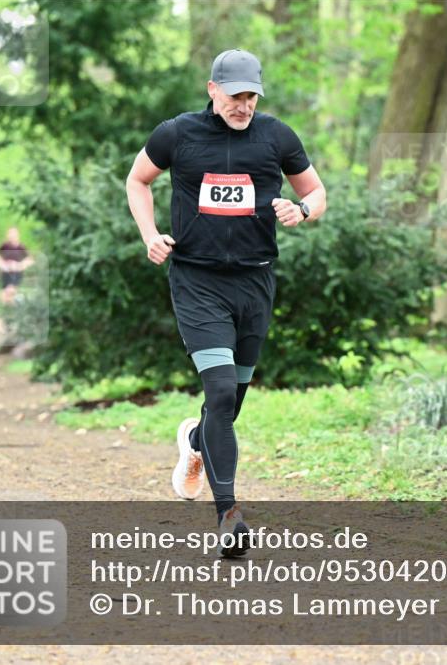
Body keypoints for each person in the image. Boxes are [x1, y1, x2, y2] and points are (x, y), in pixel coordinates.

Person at [126, 49, 326, 556]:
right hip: (197, 281)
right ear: (212, 89)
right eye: (235, 95)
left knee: (229, 404)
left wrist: (300, 210)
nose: (244, 105)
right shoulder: (178, 134)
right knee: (217, 390)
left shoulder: (277, 137)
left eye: (251, 96)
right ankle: (229, 515)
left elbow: (317, 191)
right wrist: (150, 234)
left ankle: (196, 443)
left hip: (255, 283)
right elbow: (138, 180)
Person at [0, 227, 34, 305]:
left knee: (11, 290)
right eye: (9, 233)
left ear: (17, 235)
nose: (11, 235)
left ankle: (12, 309)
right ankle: (6, 310)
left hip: (16, 273)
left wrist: (20, 265)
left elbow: (30, 259)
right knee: (4, 293)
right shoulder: (4, 246)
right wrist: (2, 264)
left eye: (13, 233)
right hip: (5, 272)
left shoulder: (21, 247)